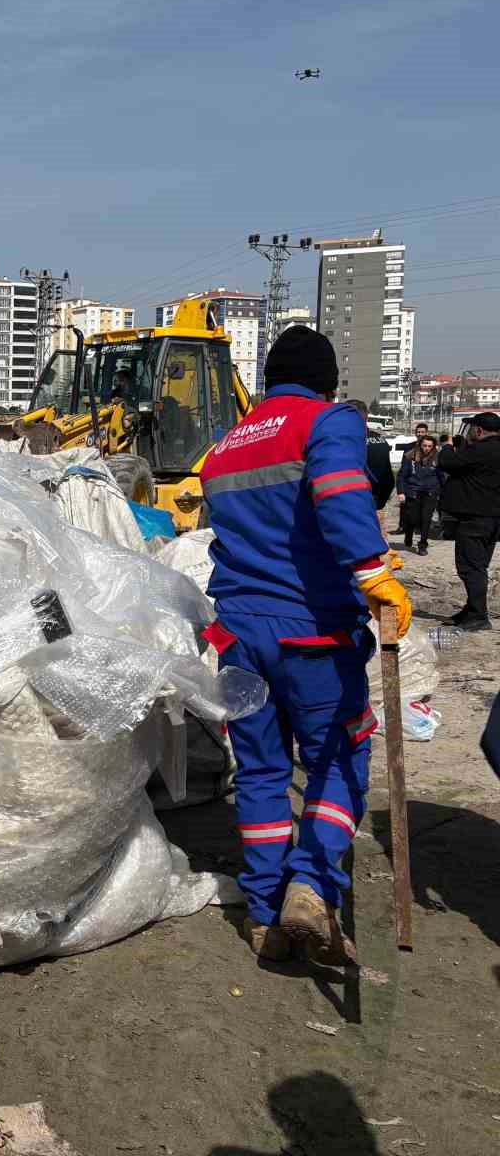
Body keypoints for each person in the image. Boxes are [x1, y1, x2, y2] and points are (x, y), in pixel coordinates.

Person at [198, 326, 412, 966]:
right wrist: (372, 570)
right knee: (338, 762)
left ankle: (265, 917)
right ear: (326, 380)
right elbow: (342, 492)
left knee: (262, 774)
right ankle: (312, 888)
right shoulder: (328, 421)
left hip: (239, 634)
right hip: (311, 632)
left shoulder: (227, 446)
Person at [438, 411, 500, 631]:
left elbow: (447, 462)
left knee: (470, 567)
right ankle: (472, 609)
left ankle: (478, 615)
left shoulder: (480, 450)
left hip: (475, 519)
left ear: (479, 430)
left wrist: (446, 445)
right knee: (478, 566)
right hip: (492, 519)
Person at [397, 435, 443, 554]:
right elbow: (402, 476)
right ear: (420, 445)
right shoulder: (410, 457)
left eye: (429, 446)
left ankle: (423, 544)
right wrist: (401, 491)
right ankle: (408, 533)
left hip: (430, 492)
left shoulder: (437, 458)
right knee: (413, 518)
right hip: (413, 491)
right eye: (424, 446)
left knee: (426, 519)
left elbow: (441, 476)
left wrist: (442, 492)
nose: (427, 448)